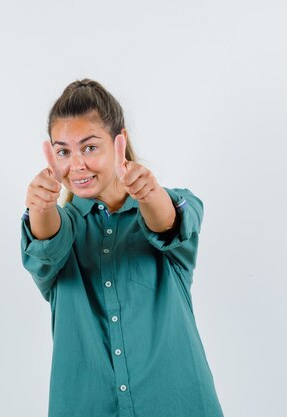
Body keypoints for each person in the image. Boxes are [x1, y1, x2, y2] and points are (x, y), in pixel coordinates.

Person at [20, 79, 224, 417]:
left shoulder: (171, 205)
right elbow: (45, 243)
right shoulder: (63, 225)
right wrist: (40, 206)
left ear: (119, 142)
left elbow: (167, 221)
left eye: (89, 147)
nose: (77, 164)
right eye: (63, 151)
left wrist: (148, 192)